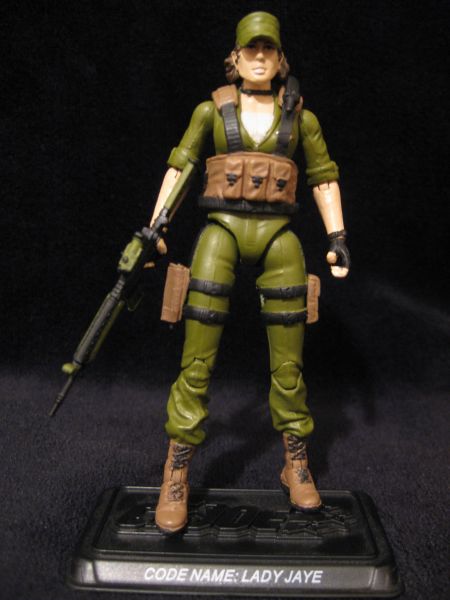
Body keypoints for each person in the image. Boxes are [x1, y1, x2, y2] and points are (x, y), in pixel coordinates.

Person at [149, 11, 350, 534]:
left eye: (269, 49)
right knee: (197, 360)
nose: (260, 57)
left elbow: (323, 179)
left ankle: (295, 460)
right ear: (234, 58)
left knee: (289, 364)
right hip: (221, 230)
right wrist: (156, 226)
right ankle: (177, 469)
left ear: (281, 60)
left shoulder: (301, 119)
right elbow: (181, 169)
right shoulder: (211, 112)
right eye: (251, 49)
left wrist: (337, 237)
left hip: (280, 237)